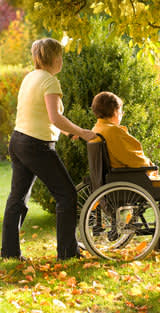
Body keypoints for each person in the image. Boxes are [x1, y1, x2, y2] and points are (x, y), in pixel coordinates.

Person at [1, 38, 96, 261]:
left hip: (18, 141)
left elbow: (41, 114)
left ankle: (9, 253)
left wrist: (66, 131)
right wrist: (82, 132)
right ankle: (67, 253)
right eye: (61, 56)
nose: (62, 60)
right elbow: (55, 116)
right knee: (67, 194)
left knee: (18, 198)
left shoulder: (30, 77)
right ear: (55, 59)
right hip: (36, 145)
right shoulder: (50, 81)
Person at [91, 91, 160, 252]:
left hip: (118, 180)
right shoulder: (112, 131)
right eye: (120, 111)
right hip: (133, 181)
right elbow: (132, 158)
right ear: (114, 111)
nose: (121, 114)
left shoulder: (98, 129)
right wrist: (149, 164)